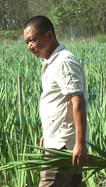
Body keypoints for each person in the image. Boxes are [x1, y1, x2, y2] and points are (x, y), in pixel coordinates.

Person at [23, 16, 89, 187]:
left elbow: (78, 102)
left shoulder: (63, 62)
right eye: (27, 42)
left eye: (32, 40)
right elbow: (60, 103)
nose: (30, 46)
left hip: (63, 146)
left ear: (49, 36)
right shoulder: (51, 61)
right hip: (59, 141)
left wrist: (79, 144)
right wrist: (48, 133)